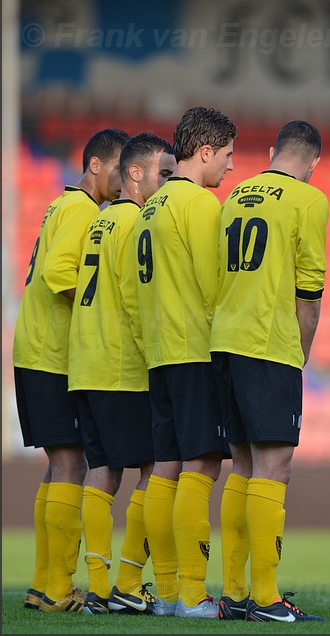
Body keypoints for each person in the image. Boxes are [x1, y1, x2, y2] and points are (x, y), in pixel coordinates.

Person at [210, 120, 329, 622]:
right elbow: (310, 293)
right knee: (274, 467)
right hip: (268, 345)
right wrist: (299, 354)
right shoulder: (309, 200)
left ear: (274, 150)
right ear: (313, 162)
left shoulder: (235, 195)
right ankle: (265, 597)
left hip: (225, 343)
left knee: (240, 466)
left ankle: (236, 593)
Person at [13, 128, 129, 613]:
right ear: (97, 166)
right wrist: (96, 308)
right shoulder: (83, 210)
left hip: (35, 349)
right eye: (120, 169)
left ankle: (44, 584)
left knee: (60, 465)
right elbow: (60, 272)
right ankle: (58, 588)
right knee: (71, 464)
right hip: (53, 354)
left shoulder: (63, 205)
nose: (124, 181)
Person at [133, 107, 237, 619]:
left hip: (157, 354)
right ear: (205, 152)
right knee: (203, 465)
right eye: (228, 155)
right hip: (194, 350)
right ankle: (194, 594)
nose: (231, 167)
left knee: (165, 468)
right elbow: (214, 284)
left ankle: (171, 591)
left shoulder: (149, 208)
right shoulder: (199, 204)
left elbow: (137, 294)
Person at [67, 132, 175, 616]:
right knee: (156, 470)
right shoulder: (135, 221)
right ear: (136, 174)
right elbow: (136, 298)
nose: (167, 182)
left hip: (86, 364)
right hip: (122, 366)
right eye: (163, 173)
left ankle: (97, 587)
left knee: (102, 474)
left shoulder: (101, 220)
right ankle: (129, 582)